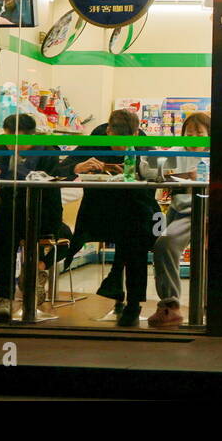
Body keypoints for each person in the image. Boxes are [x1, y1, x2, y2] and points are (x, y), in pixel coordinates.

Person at [57, 109, 159, 327]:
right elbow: (63, 166)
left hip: (135, 207)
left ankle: (127, 296)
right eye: (116, 142)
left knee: (135, 234)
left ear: (135, 133)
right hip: (102, 208)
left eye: (126, 142)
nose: (120, 147)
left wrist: (141, 173)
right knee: (132, 235)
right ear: (108, 131)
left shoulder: (142, 142)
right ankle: (122, 292)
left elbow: (155, 176)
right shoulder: (98, 136)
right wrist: (79, 167)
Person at [0, 113, 68, 323]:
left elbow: (50, 189)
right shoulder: (3, 150)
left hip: (41, 214)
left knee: (5, 229)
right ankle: (5, 297)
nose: (11, 145)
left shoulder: (48, 152)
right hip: (11, 215)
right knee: (7, 232)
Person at [146, 112, 210, 328]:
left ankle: (212, 304)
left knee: (211, 256)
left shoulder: (217, 153)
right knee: (164, 245)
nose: (193, 138)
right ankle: (170, 306)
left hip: (208, 211)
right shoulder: (176, 152)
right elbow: (148, 168)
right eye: (189, 133)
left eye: (199, 133)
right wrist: (181, 176)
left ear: (209, 134)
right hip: (181, 210)